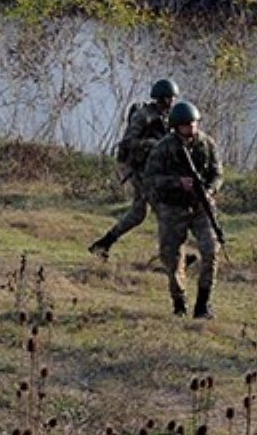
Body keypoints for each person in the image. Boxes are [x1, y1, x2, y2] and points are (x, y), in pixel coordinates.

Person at [142, 102, 224, 318]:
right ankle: (179, 302)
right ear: (176, 126)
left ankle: (203, 305)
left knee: (211, 250)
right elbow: (150, 179)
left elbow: (217, 174)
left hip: (201, 206)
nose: (192, 128)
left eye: (194, 124)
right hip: (172, 208)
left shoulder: (207, 144)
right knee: (171, 256)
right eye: (187, 125)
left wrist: (208, 191)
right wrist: (177, 182)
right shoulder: (163, 147)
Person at [89, 78, 179, 260]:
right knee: (164, 211)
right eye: (169, 98)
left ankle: (103, 243)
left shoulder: (168, 117)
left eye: (173, 98)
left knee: (138, 214)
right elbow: (129, 142)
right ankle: (172, 256)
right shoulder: (144, 116)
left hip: (156, 170)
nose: (172, 101)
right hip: (141, 171)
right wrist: (151, 144)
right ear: (161, 98)